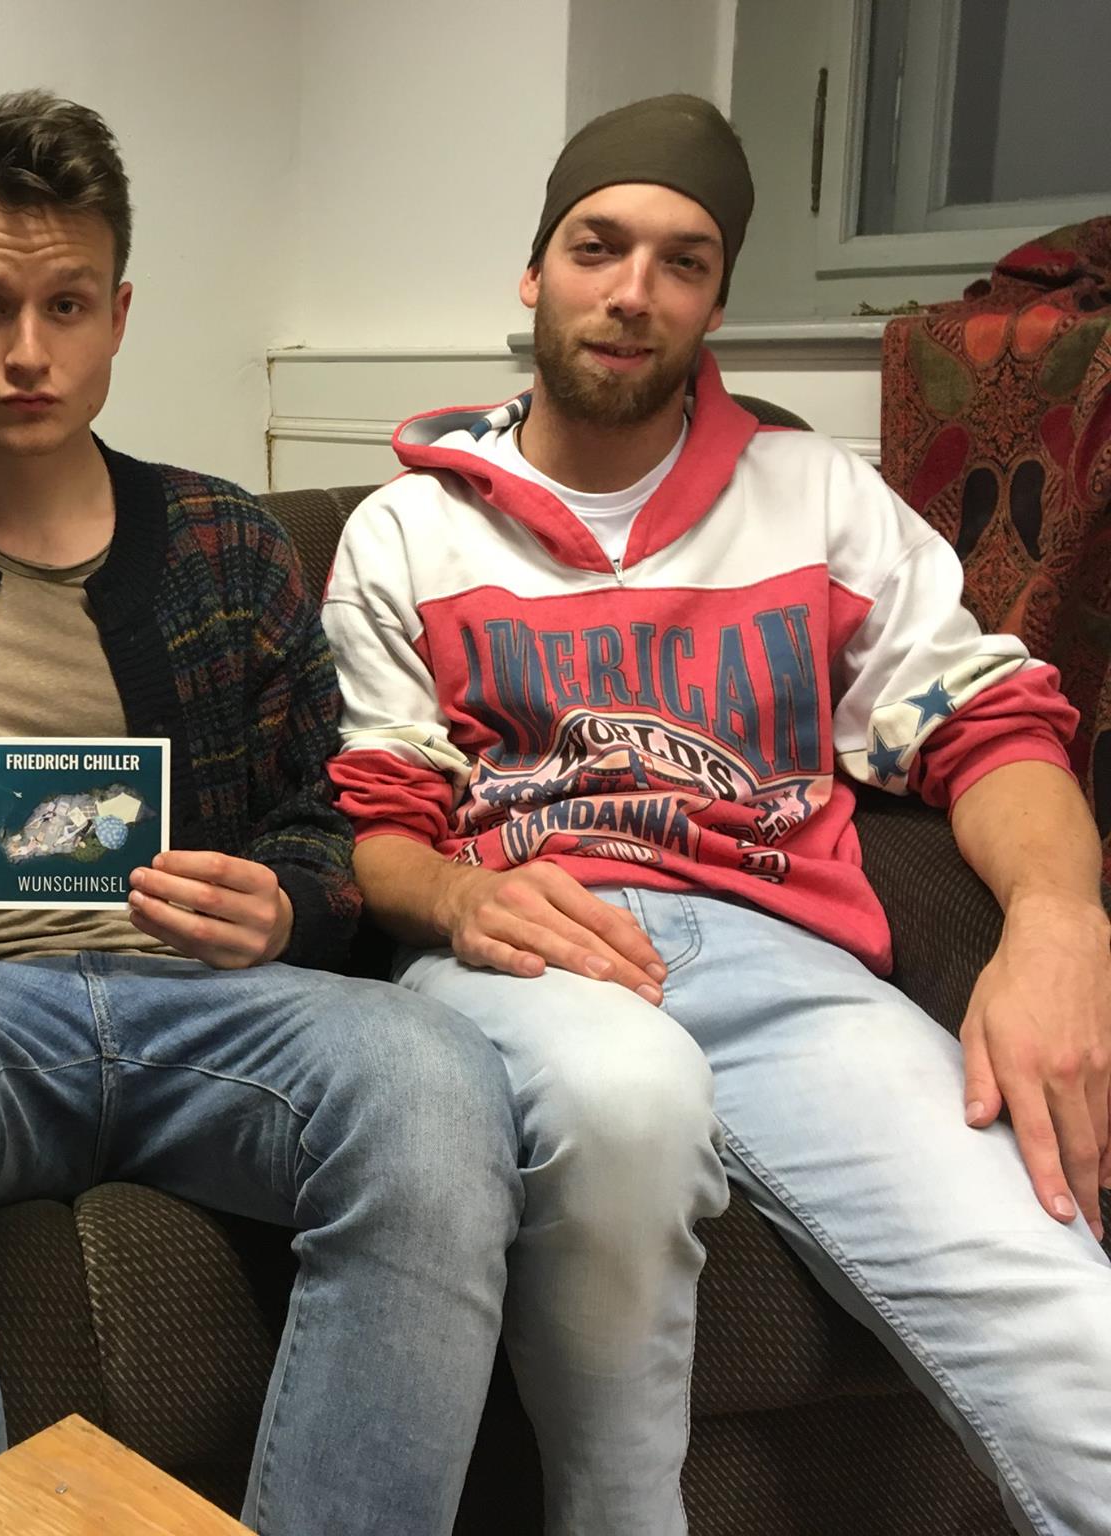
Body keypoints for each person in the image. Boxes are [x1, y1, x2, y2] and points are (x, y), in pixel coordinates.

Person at [0, 90, 519, 1536]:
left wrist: (285, 901)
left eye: (66, 305)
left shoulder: (231, 544)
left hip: (212, 1016)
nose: (26, 353)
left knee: (440, 1080)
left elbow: (323, 824)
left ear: (120, 314)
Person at [323, 93, 1111, 1536]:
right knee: (626, 1101)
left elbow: (989, 725)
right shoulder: (407, 532)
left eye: (681, 262)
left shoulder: (818, 499)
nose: (633, 292)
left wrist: (1061, 921)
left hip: (786, 969)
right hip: (529, 951)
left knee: (1077, 1338)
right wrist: (461, 897)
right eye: (597, 247)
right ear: (534, 271)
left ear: (717, 298)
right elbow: (379, 825)